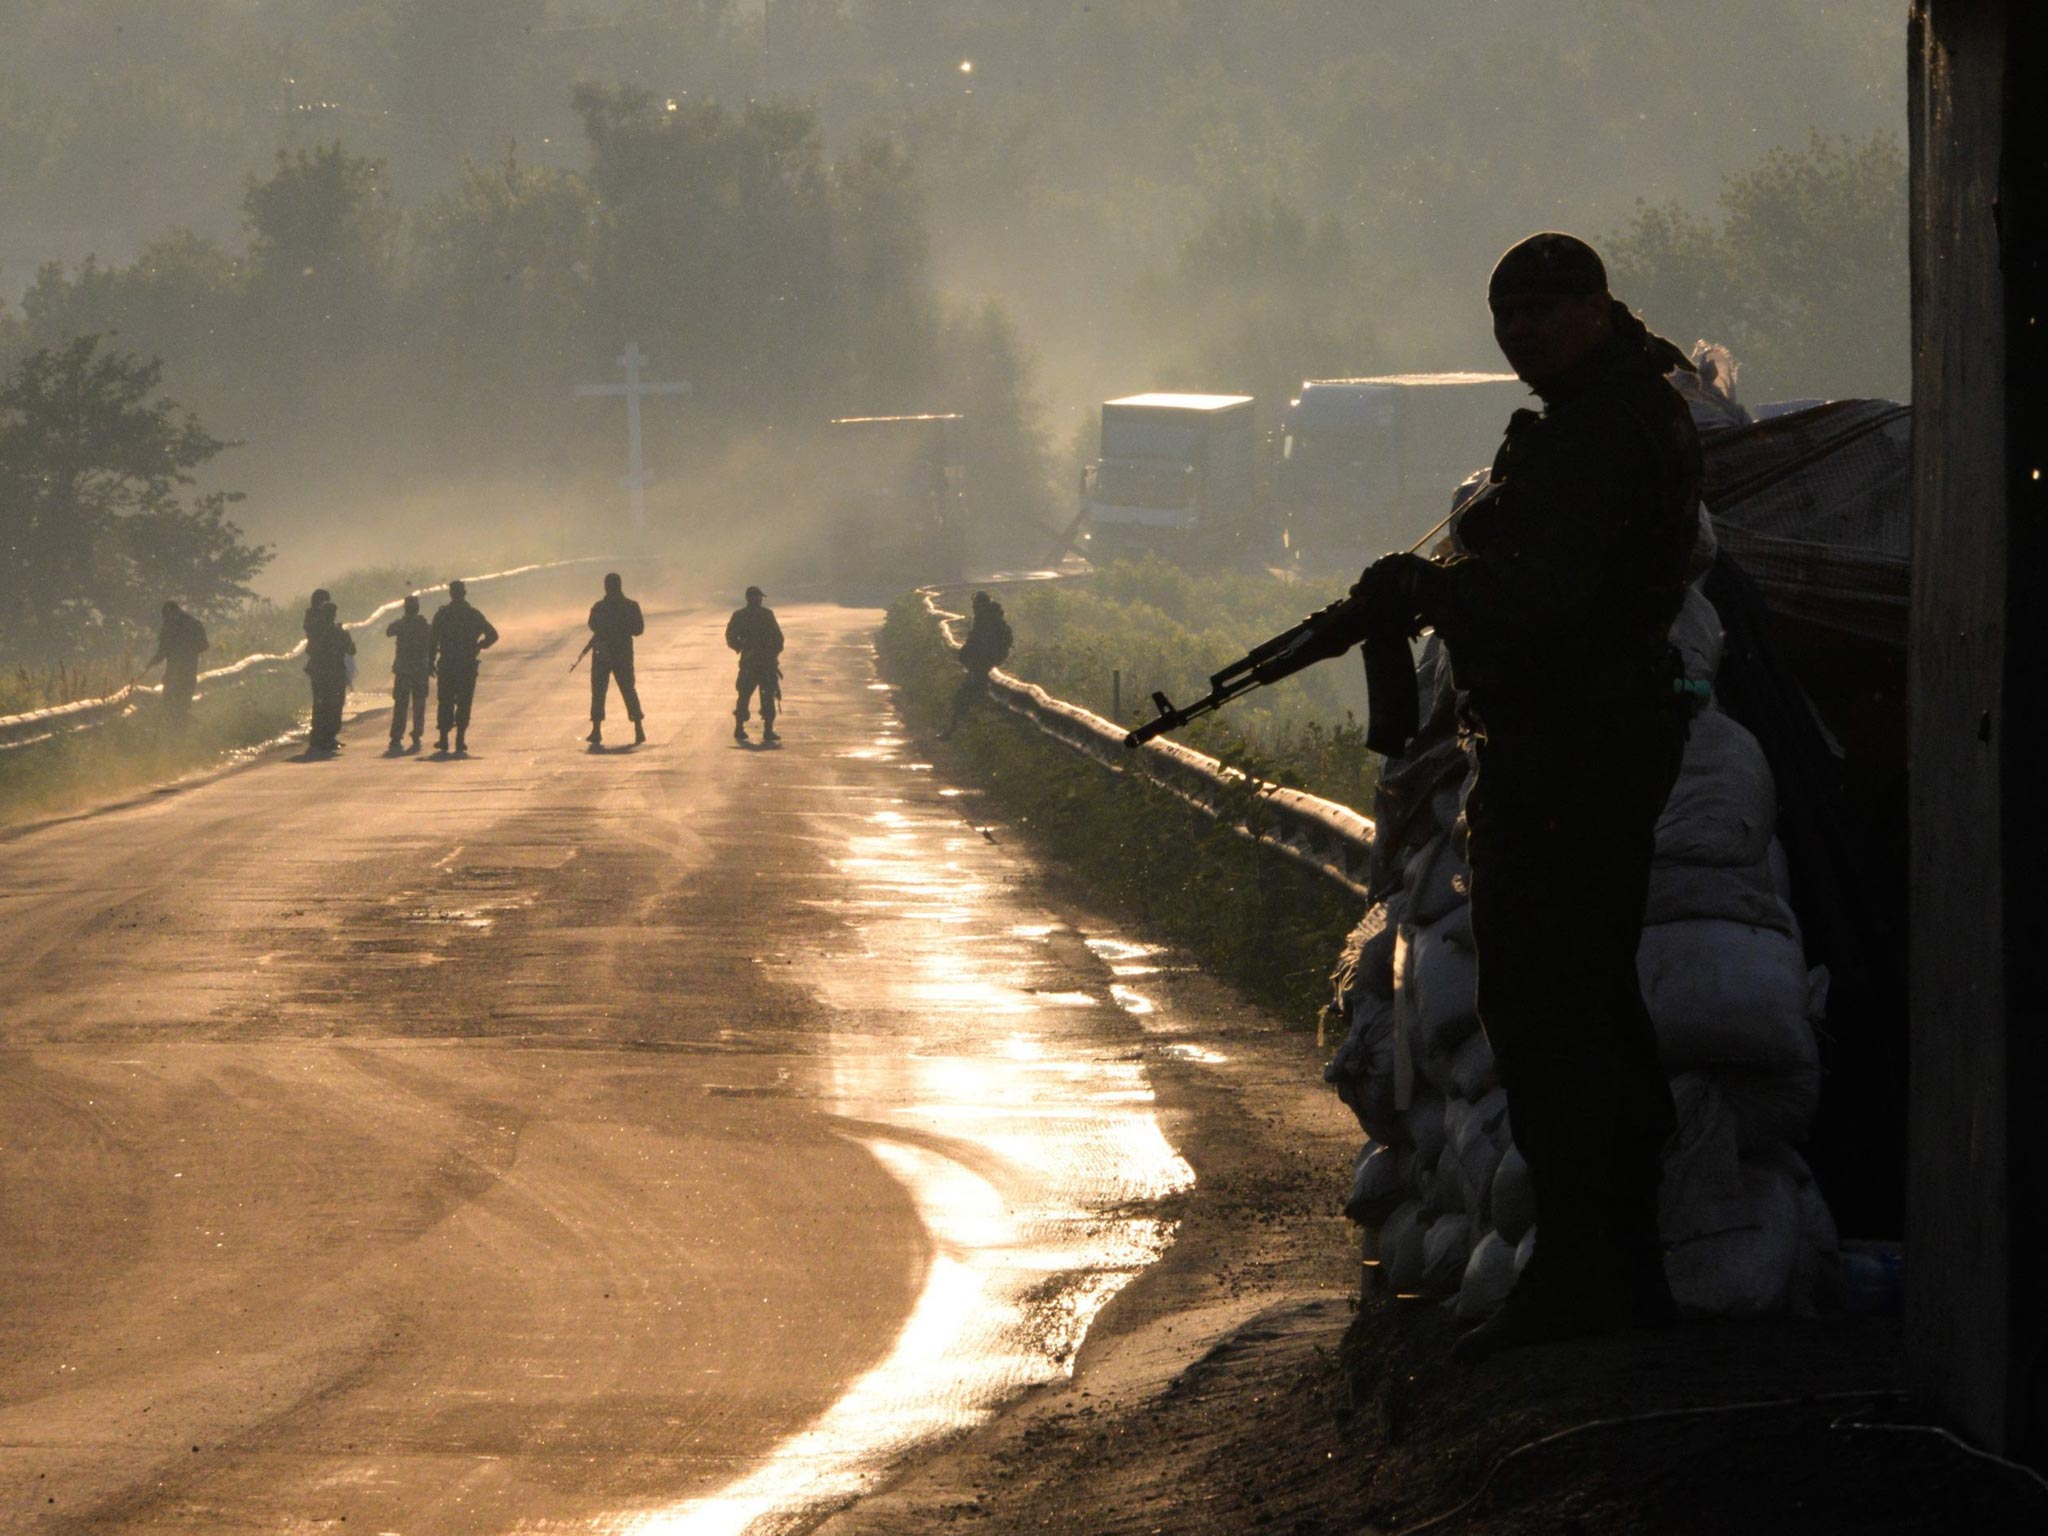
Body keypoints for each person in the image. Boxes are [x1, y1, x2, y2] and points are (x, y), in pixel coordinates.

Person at [1358, 232, 1703, 1362]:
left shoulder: (1607, 427)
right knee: (1576, 1003)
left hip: (1576, 748)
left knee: (1555, 1009)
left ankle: (1583, 1275)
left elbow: (1546, 597)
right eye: (1505, 316)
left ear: (1595, 311)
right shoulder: (1596, 414)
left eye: (1542, 314)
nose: (1519, 335)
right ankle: (1610, 1271)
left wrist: (1432, 592)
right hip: (1576, 742)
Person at [428, 578, 499, 754]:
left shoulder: (442, 615)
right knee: (464, 701)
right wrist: (479, 646)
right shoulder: (473, 614)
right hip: (467, 664)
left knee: (445, 700)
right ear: (464, 593)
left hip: (447, 664)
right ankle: (460, 738)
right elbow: (493, 635)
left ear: (451, 594)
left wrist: (430, 661)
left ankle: (443, 738)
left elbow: (432, 640)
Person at [939, 591, 1012, 739]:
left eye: (975, 605)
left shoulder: (986, 621)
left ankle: (956, 732)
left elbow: (978, 643)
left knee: (962, 698)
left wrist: (971, 659)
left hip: (982, 666)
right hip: (984, 664)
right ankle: (963, 733)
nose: (974, 608)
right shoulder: (991, 619)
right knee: (970, 698)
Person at [586, 571, 646, 747]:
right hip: (621, 654)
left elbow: (593, 625)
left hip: (603, 654)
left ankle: (597, 730)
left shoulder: (600, 607)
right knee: (628, 690)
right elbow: (638, 629)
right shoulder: (630, 606)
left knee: (599, 692)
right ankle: (638, 727)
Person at [725, 585, 783, 745]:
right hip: (753, 663)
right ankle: (743, 727)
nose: (758, 600)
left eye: (759, 597)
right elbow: (731, 636)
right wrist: (742, 646)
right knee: (746, 696)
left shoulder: (764, 614)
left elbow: (778, 638)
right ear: (750, 598)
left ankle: (765, 729)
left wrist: (772, 653)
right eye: (756, 597)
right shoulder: (745, 615)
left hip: (761, 663)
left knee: (762, 697)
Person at [304, 599, 356, 752]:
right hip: (335, 674)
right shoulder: (339, 633)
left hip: (319, 674)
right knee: (335, 706)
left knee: (320, 705)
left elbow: (309, 651)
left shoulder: (315, 633)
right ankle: (329, 737)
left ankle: (317, 738)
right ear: (333, 615)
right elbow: (352, 651)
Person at [145, 600, 209, 718]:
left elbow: (162, 652)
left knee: (170, 703)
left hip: (174, 673)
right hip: (189, 671)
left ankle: (174, 729)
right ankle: (181, 728)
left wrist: (151, 663)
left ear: (168, 613)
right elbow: (204, 645)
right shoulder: (194, 623)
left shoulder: (169, 626)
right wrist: (190, 650)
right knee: (183, 703)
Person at [386, 593, 432, 752]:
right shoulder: (424, 625)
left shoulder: (401, 624)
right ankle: (417, 733)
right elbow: (433, 639)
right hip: (420, 669)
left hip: (404, 670)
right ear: (417, 608)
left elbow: (388, 631)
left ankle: (397, 736)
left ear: (405, 609)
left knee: (401, 704)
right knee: (419, 703)